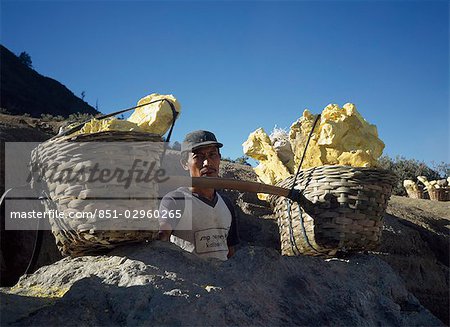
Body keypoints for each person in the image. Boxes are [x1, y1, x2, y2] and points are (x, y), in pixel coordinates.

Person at [158, 130, 239, 260]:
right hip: (190, 278)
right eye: (199, 156)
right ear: (185, 163)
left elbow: (230, 251)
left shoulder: (226, 204)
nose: (207, 163)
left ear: (219, 159)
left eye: (212, 155)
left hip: (223, 278)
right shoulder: (176, 200)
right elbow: (162, 237)